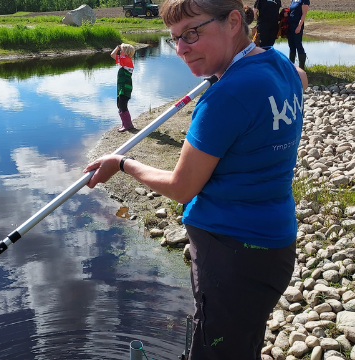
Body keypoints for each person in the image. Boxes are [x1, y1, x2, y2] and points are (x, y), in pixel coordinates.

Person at [85, 0, 307, 358]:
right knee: (243, 342)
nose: (182, 49)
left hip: (231, 256)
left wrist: (124, 163)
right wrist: (228, 74)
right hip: (275, 248)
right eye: (175, 38)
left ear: (234, 21)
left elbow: (182, 187)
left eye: (192, 33)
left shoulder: (225, 97)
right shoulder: (279, 64)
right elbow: (301, 79)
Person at [111, 43, 136, 132]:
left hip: (125, 87)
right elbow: (113, 55)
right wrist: (119, 47)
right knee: (119, 105)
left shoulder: (126, 60)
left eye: (121, 50)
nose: (120, 51)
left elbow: (112, 55)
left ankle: (128, 125)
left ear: (126, 52)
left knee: (122, 105)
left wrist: (117, 47)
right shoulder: (124, 61)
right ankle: (125, 124)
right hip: (122, 87)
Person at [287, 0, 309, 69]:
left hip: (297, 26)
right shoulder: (293, 0)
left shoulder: (304, 1)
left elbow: (304, 14)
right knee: (291, 45)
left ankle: (301, 67)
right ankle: (291, 66)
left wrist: (299, 26)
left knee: (298, 44)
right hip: (290, 25)